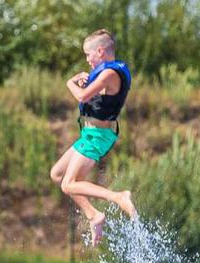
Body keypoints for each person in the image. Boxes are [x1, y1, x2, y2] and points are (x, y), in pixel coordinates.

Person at [49, 29, 138, 246]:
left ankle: (118, 197)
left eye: (89, 55)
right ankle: (93, 214)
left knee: (69, 184)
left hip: (98, 136)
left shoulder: (109, 74)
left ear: (100, 51)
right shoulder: (105, 74)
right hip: (89, 133)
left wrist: (70, 82)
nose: (87, 60)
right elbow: (96, 100)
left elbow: (81, 96)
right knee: (58, 174)